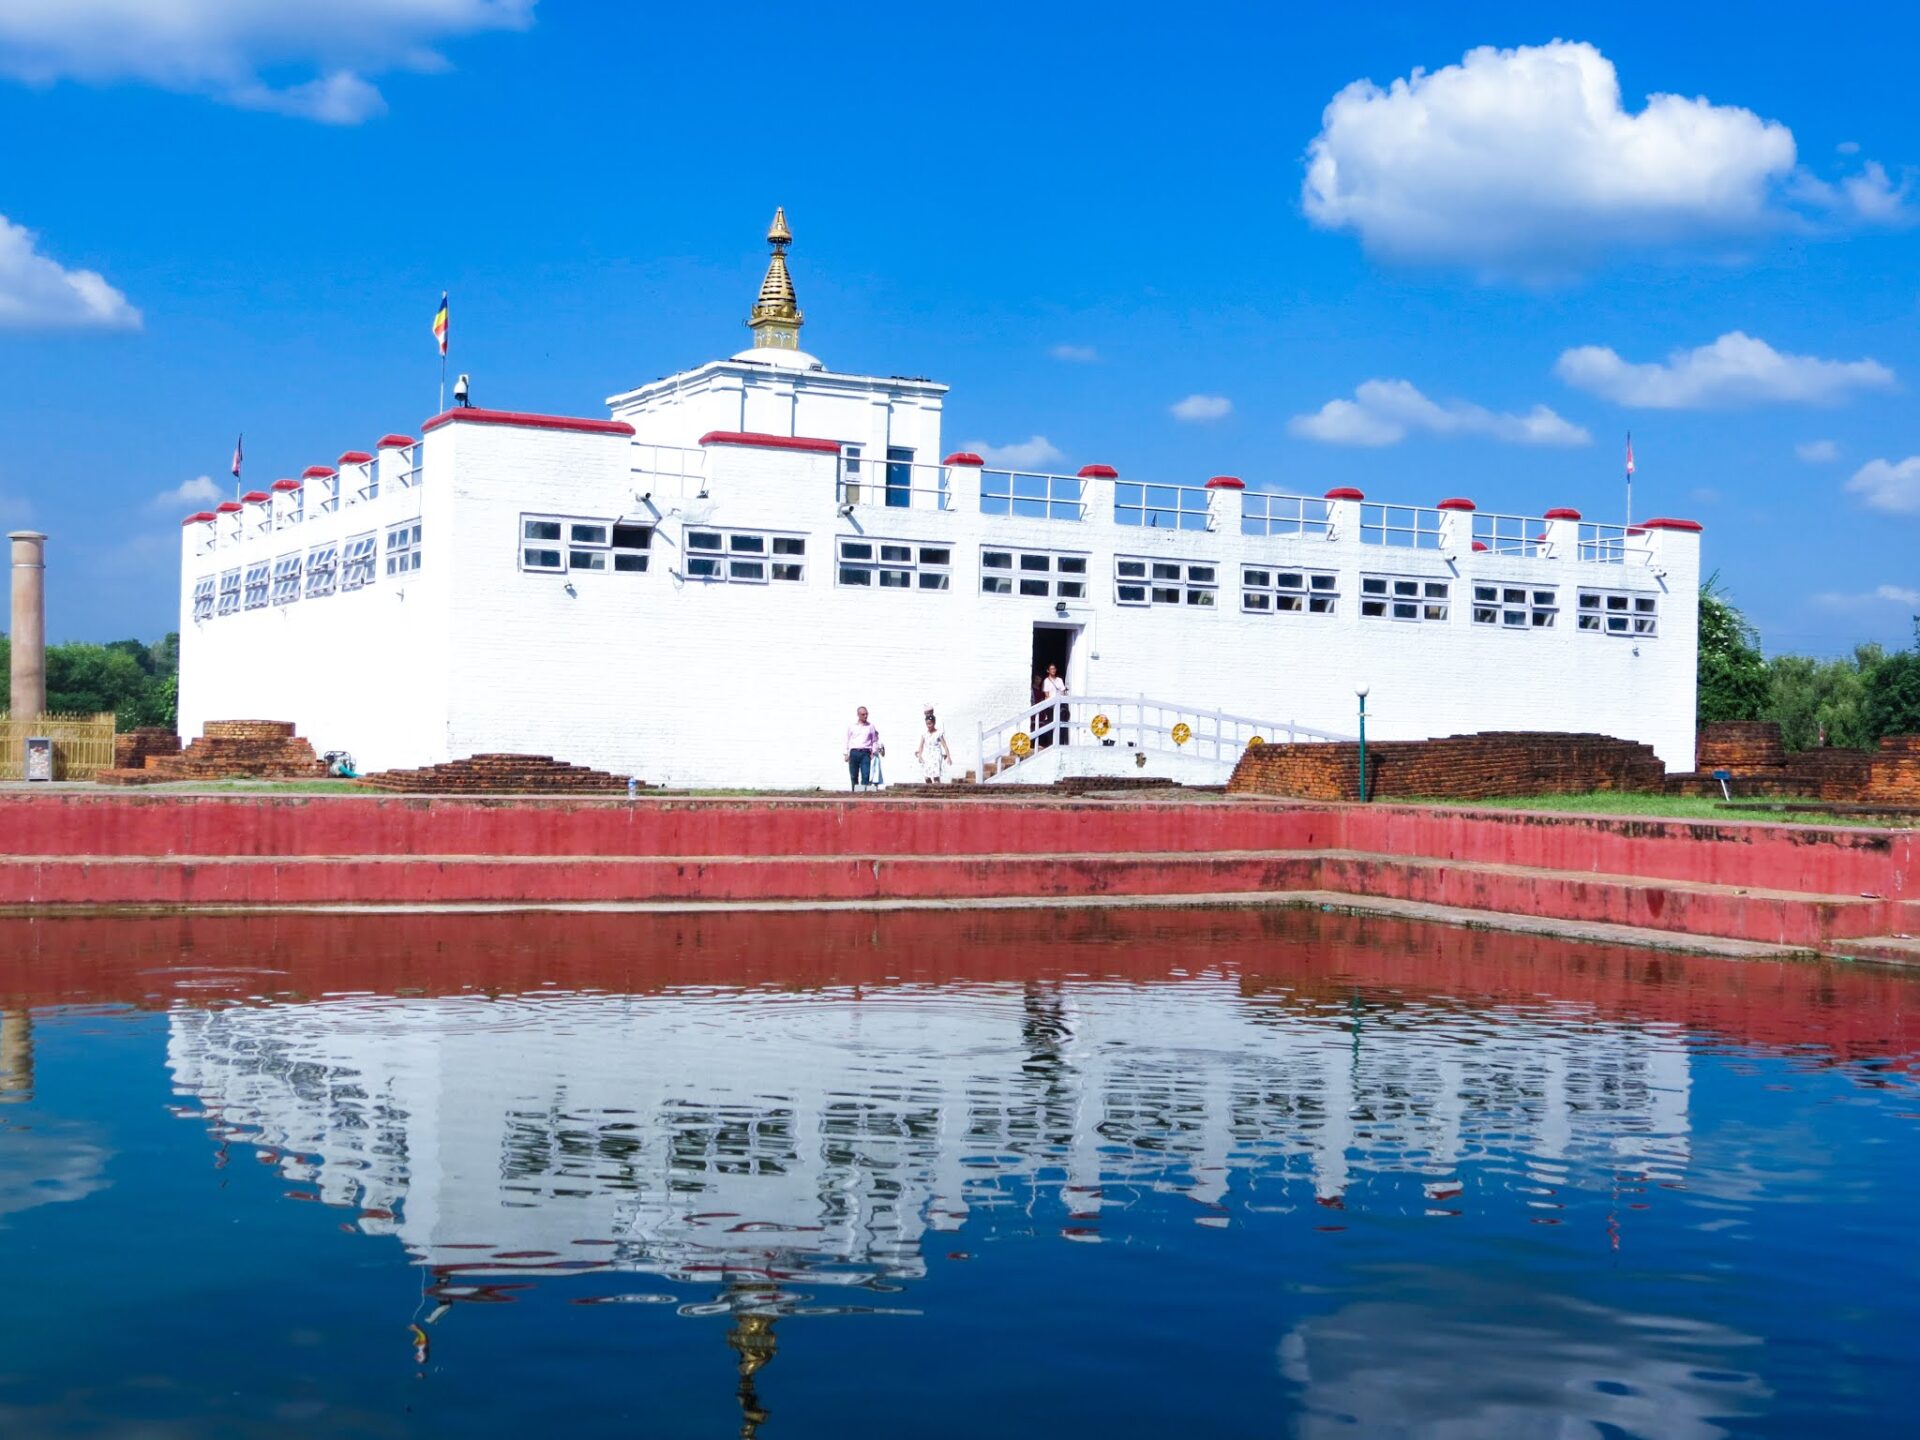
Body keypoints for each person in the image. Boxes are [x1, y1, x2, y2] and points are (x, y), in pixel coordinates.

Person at [844, 705, 881, 790]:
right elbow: (847, 740)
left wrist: (873, 751)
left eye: (866, 714)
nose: (865, 716)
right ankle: (854, 793)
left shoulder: (870, 726)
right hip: (854, 752)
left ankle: (862, 794)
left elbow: (874, 740)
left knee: (865, 774)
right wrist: (846, 753)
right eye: (863, 714)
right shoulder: (852, 726)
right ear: (858, 715)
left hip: (865, 752)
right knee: (854, 775)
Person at [916, 707, 951, 784]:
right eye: (927, 724)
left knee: (935, 776)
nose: (929, 726)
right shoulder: (924, 734)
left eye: (930, 724)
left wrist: (948, 757)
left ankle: (938, 792)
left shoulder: (938, 733)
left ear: (934, 723)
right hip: (927, 755)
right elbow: (921, 745)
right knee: (926, 776)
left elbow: (945, 746)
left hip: (936, 755)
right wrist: (919, 755)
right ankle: (929, 790)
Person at [1041, 663, 1069, 746]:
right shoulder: (1046, 681)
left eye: (1054, 669)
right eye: (1051, 669)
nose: (1053, 670)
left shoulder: (1059, 680)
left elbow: (1063, 692)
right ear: (1048, 671)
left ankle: (1060, 742)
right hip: (1051, 706)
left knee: (1060, 724)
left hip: (1059, 706)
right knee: (1051, 723)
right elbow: (1047, 695)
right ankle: (1051, 743)